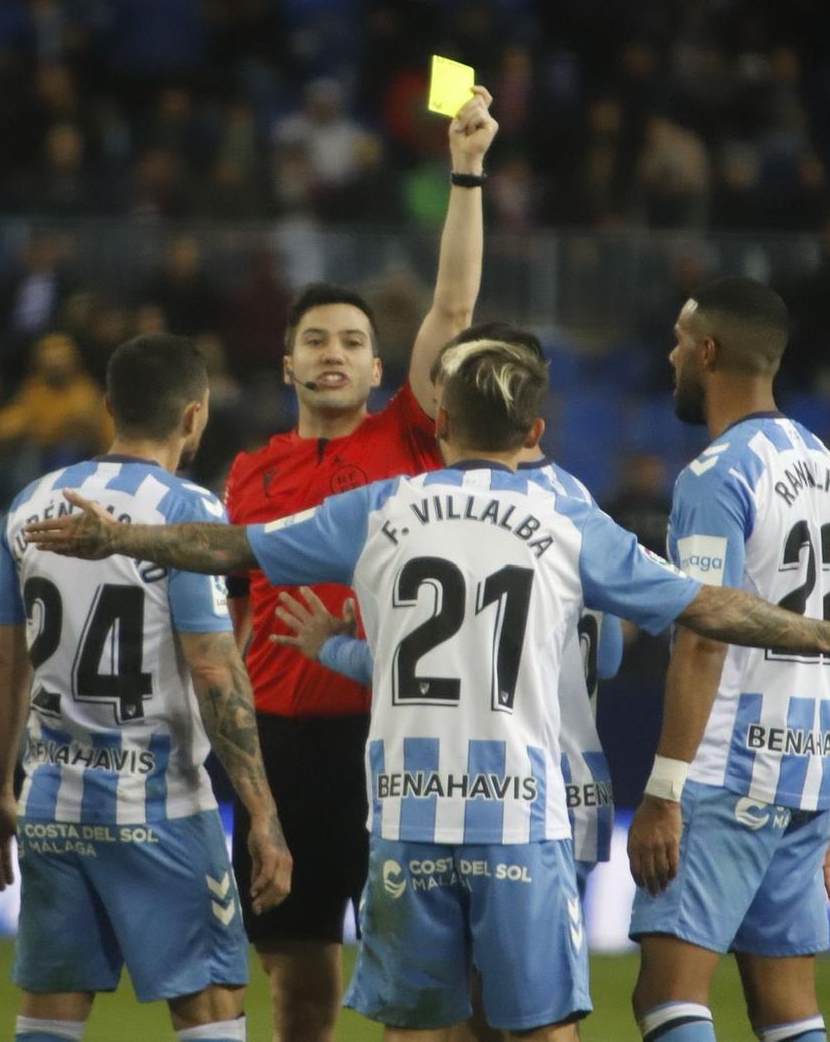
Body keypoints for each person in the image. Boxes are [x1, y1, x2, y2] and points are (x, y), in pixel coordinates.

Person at [21, 337, 830, 1041]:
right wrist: (823, 633)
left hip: (406, 820)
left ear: (440, 418)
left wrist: (123, 537)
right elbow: (707, 606)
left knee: (415, 1030)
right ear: (535, 431)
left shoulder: (380, 507)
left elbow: (230, 547)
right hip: (521, 816)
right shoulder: (566, 516)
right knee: (544, 1029)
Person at [220, 87, 496, 1041]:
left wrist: (465, 170)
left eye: (351, 341)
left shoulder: (408, 439)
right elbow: (228, 609)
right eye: (314, 341)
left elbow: (454, 303)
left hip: (395, 739)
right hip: (283, 749)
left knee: (418, 989)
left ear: (384, 371)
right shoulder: (250, 470)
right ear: (287, 365)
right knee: (300, 990)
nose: (333, 354)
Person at [267, 321, 625, 1042]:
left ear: (447, 410)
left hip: (438, 793)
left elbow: (438, 665)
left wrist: (334, 650)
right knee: (526, 1012)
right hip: (558, 791)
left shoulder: (410, 504)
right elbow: (607, 654)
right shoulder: (576, 505)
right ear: (533, 413)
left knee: (441, 1013)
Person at [0, 333, 292, 1042]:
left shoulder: (30, 503)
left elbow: (4, 666)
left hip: (53, 800)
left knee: (48, 1017)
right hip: (161, 805)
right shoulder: (185, 510)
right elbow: (214, 666)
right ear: (195, 417)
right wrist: (262, 812)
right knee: (210, 1004)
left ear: (109, 407)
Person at [627, 278, 830, 1042]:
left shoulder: (715, 476)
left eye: (679, 340)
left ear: (707, 351)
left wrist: (665, 790)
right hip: (803, 778)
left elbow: (705, 636)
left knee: (668, 997)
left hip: (723, 773)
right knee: (788, 1009)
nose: (671, 354)